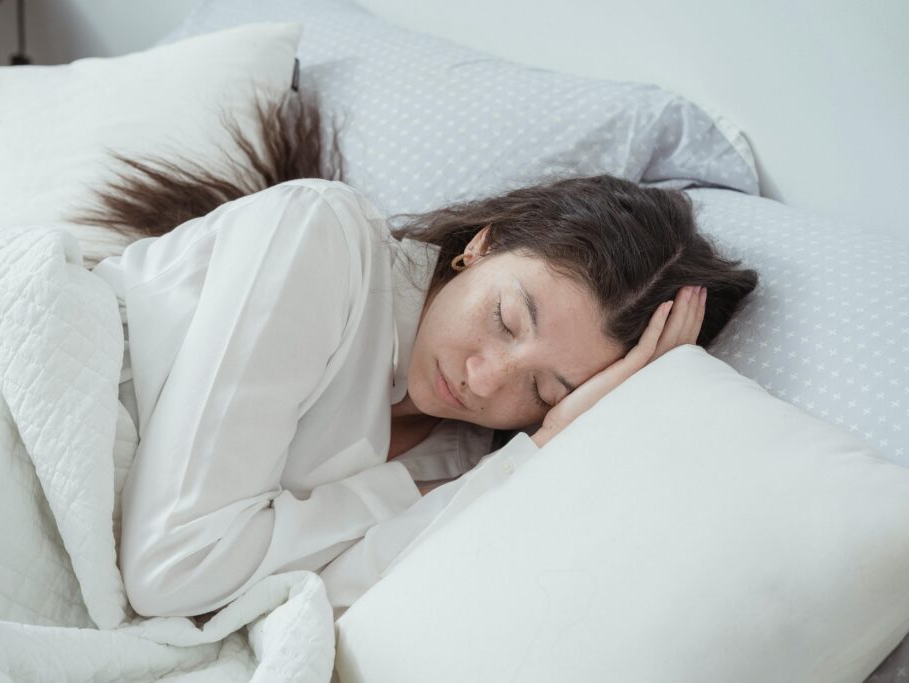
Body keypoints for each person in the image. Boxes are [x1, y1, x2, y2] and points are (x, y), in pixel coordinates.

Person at [84, 90, 758, 622]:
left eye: (545, 391)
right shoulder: (322, 241)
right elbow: (170, 570)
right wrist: (405, 498)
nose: (484, 380)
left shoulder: (464, 466)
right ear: (483, 244)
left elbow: (312, 610)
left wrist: (545, 445)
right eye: (504, 319)